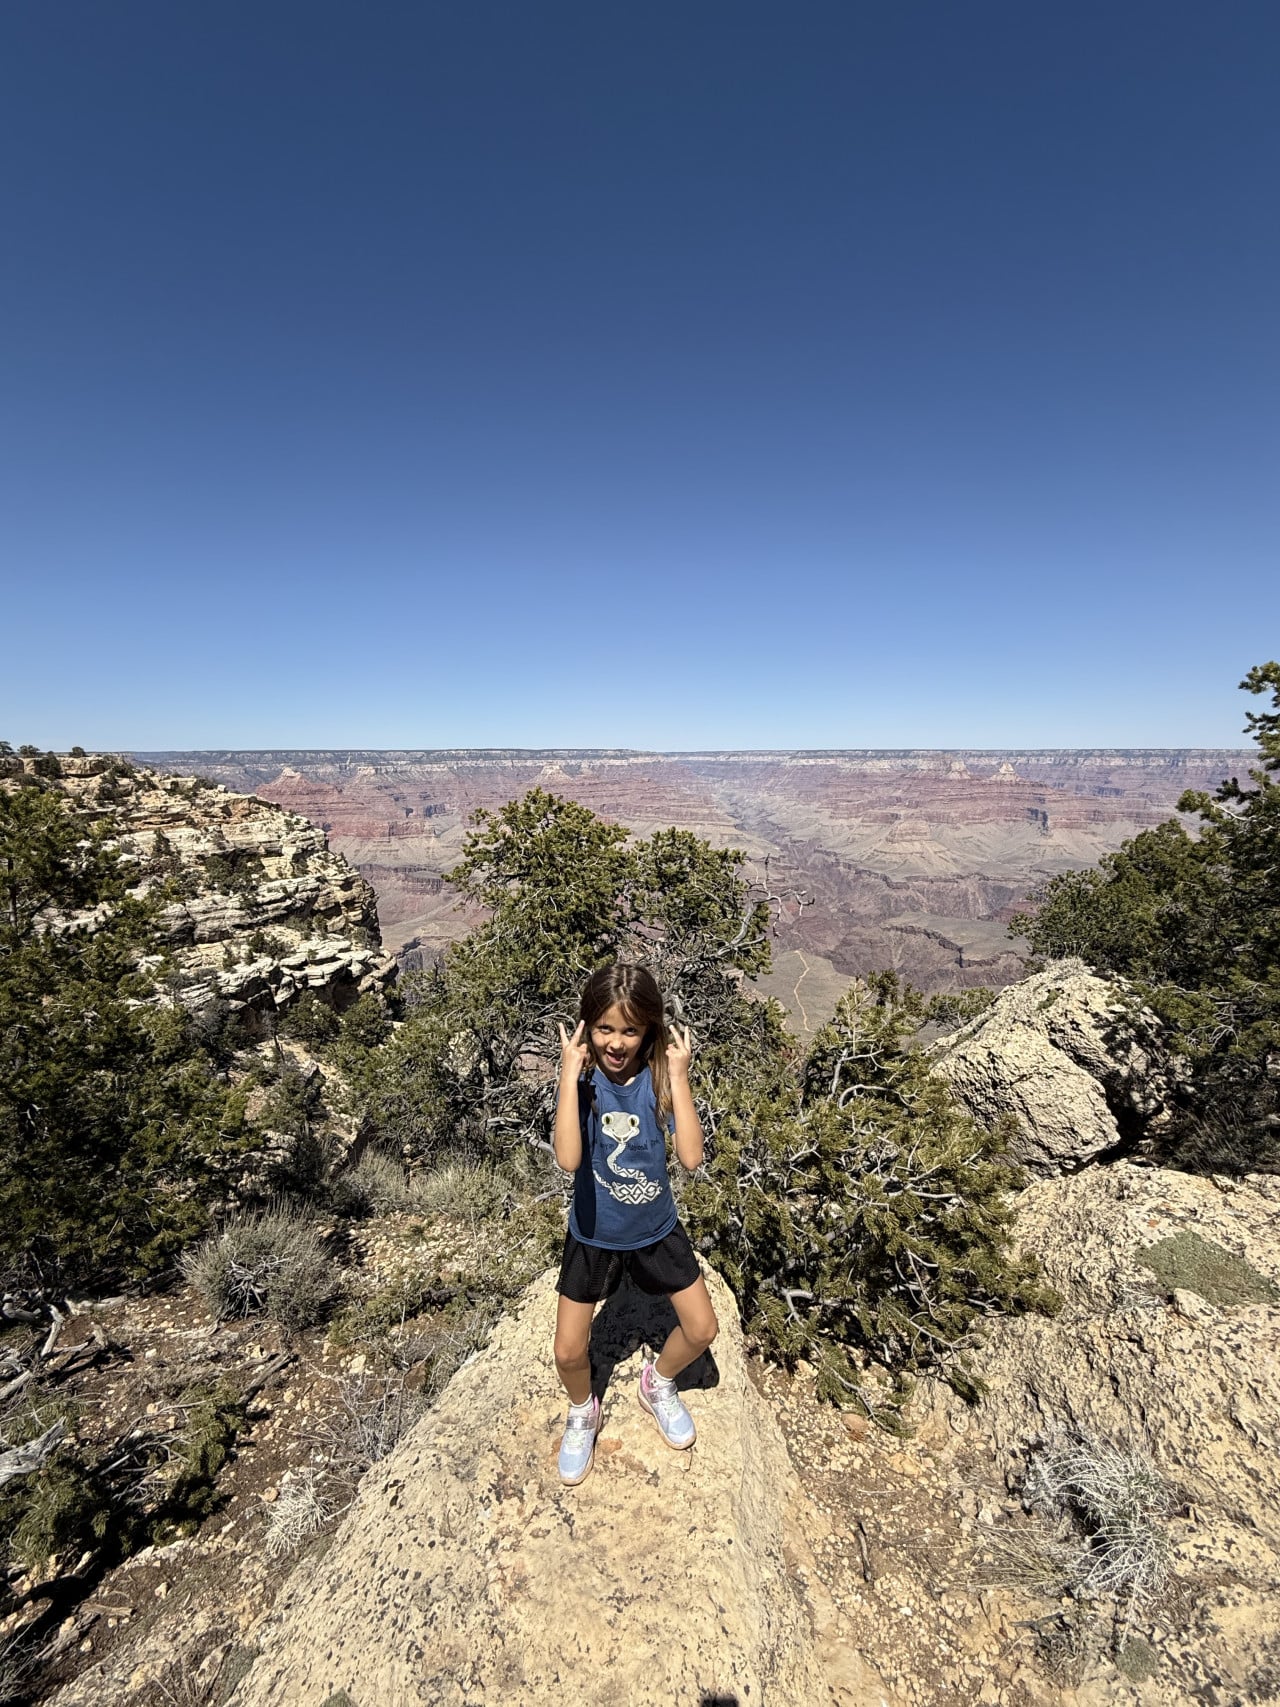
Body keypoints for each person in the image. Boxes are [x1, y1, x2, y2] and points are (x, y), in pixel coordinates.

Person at [552, 962, 718, 1486]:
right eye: (604, 1028)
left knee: (701, 1330)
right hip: (593, 1235)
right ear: (586, 1028)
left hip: (655, 1230)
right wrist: (566, 1077)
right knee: (568, 1350)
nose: (617, 1043)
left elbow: (691, 1157)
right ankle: (584, 1409)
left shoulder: (657, 1079)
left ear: (650, 1030)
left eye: (630, 1029)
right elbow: (569, 1160)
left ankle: (657, 1382)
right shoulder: (583, 1085)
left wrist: (680, 1076)